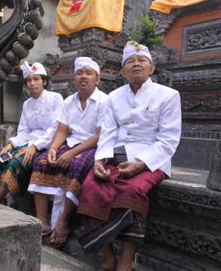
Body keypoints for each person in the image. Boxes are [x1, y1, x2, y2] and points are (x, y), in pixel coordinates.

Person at [77, 41, 182, 271]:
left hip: (152, 159)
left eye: (141, 61)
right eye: (130, 62)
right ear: (123, 71)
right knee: (90, 186)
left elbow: (168, 139)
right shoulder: (114, 97)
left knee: (131, 191)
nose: (136, 65)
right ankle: (108, 257)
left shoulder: (169, 96)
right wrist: (99, 160)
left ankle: (125, 263)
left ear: (151, 68)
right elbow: (108, 132)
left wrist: (140, 164)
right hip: (117, 156)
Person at [28, 57, 108, 241]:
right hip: (71, 142)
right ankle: (42, 220)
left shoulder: (105, 101)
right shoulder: (69, 101)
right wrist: (53, 148)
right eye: (79, 73)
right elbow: (62, 130)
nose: (83, 77)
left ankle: (63, 222)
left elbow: (99, 135)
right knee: (41, 161)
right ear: (74, 78)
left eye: (89, 73)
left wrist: (72, 153)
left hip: (93, 146)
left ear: (98, 79)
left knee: (77, 166)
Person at [0, 61, 63, 205]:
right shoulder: (27, 104)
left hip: (46, 145)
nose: (32, 83)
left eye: (36, 79)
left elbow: (55, 128)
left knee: (17, 162)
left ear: (44, 81)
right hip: (27, 143)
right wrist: (12, 143)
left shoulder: (55, 98)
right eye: (29, 80)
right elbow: (24, 130)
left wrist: (35, 146)